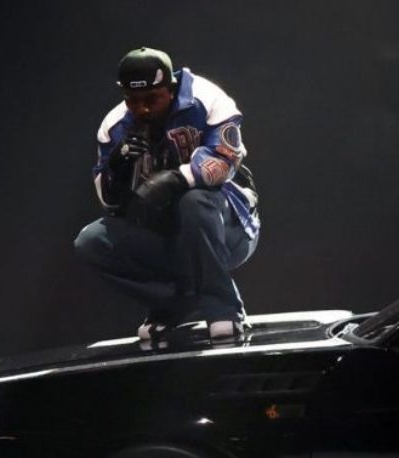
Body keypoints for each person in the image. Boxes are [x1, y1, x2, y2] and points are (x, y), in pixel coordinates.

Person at [74, 47, 260, 342]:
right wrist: (118, 167)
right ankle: (173, 303)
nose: (143, 109)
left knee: (194, 201)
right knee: (91, 241)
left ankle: (223, 306)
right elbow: (109, 201)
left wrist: (177, 178)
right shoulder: (114, 127)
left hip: (228, 227)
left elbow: (226, 159)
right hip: (167, 235)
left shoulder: (208, 98)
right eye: (133, 100)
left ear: (170, 90)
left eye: (151, 99)